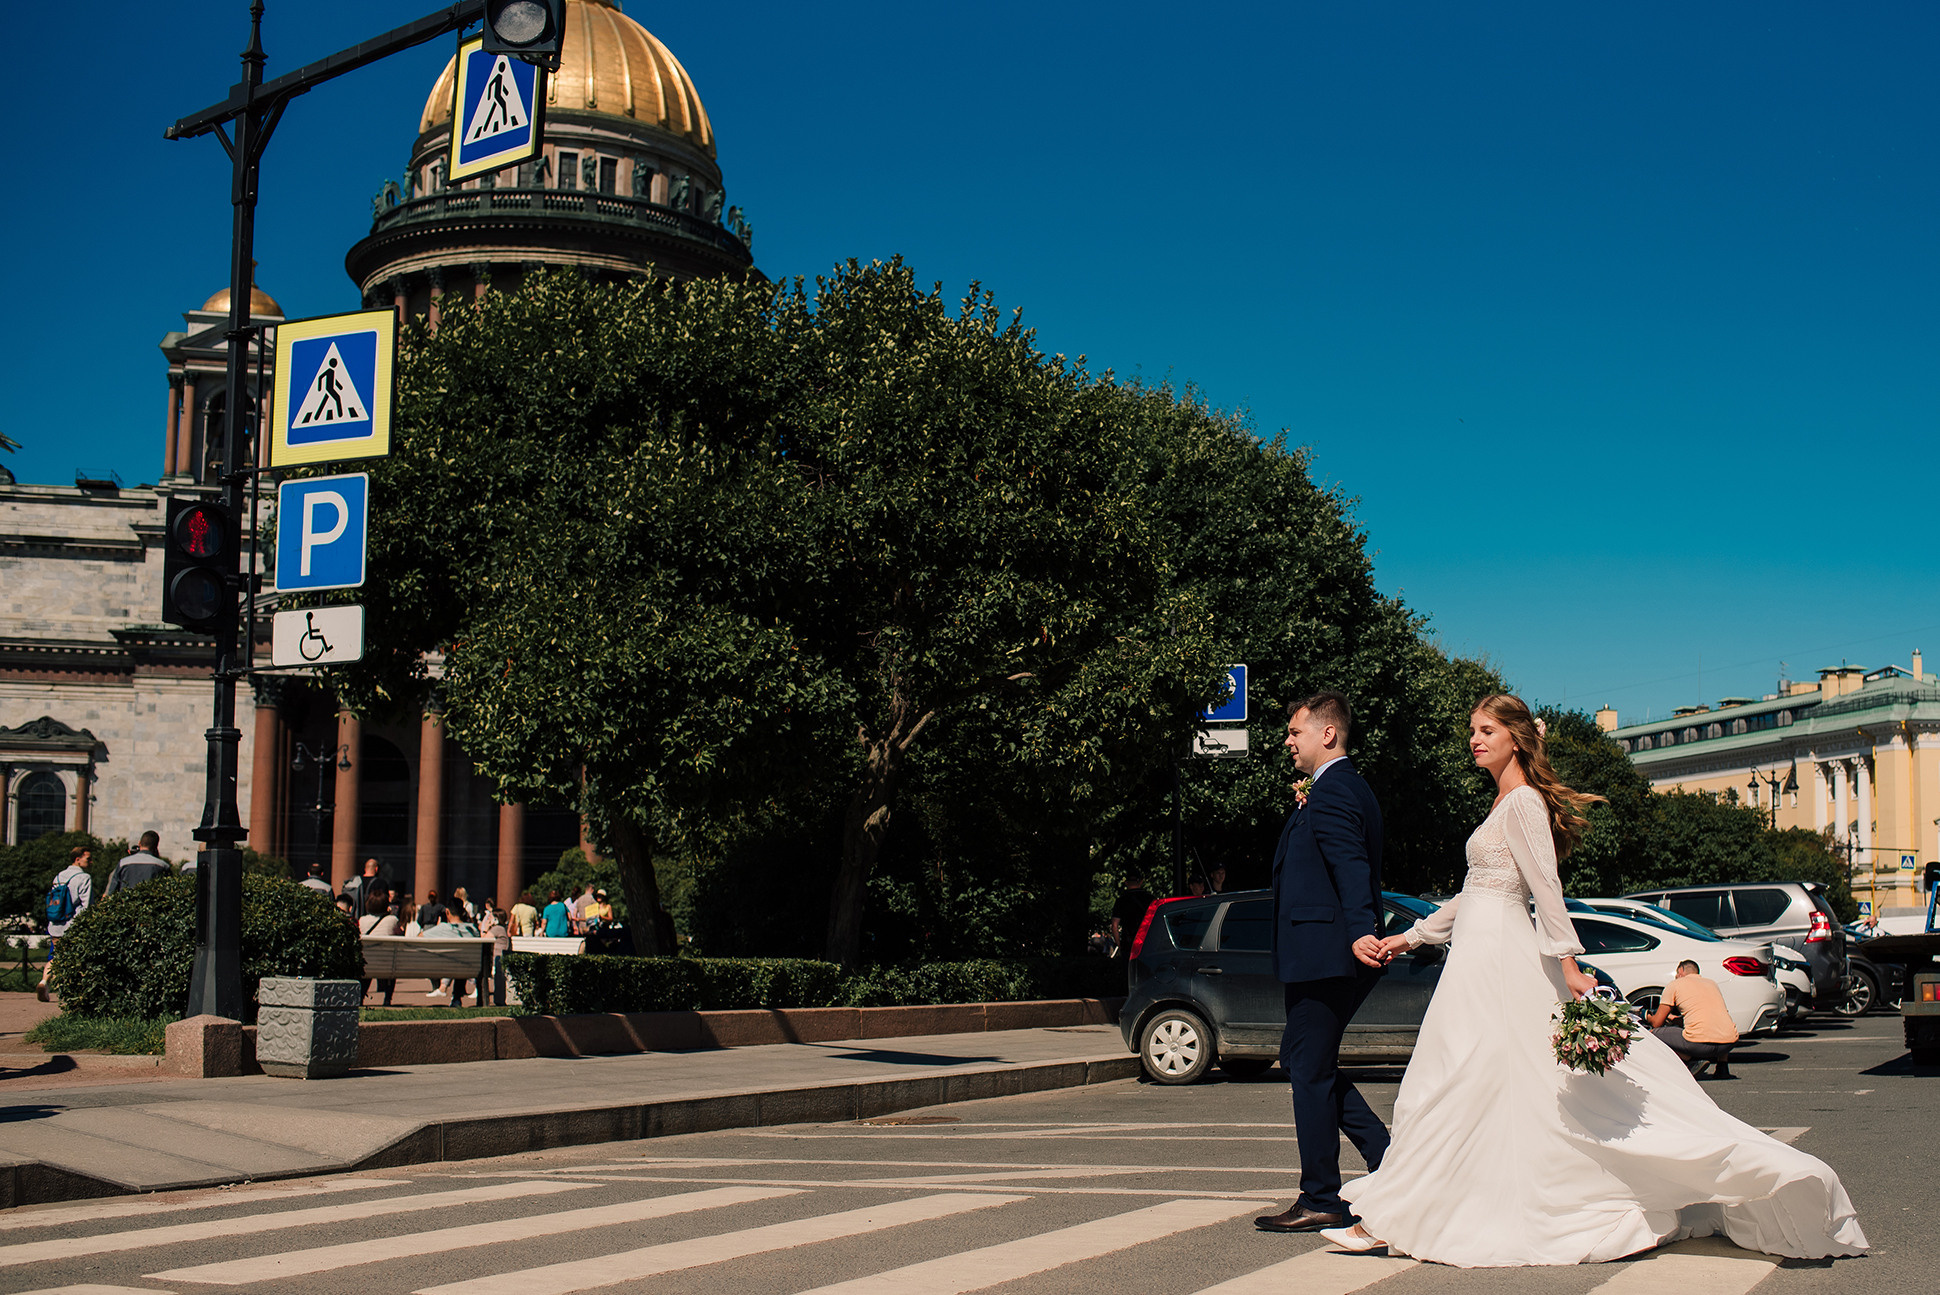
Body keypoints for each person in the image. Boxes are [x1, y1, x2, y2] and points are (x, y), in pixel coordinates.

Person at [1325, 694, 1866, 1266]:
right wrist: (1406, 938)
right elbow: (1472, 894)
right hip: (1476, 958)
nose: (1474, 740)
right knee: (1455, 1077)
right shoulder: (1501, 803)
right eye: (1472, 730)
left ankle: (1404, 1213)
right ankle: (1415, 1208)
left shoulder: (1525, 803)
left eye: (1486, 729)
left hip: (1504, 958)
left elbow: (1546, 887)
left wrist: (1566, 962)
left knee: (1471, 1075)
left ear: (1516, 737)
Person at [1254, 692, 1390, 1234]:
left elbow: (1351, 867)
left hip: (1327, 955)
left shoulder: (1334, 791)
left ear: (1327, 734)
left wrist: (1361, 929)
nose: (1288, 741)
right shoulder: (1337, 787)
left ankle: (1322, 1197)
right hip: (1322, 952)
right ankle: (1387, 1158)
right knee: (1304, 1059)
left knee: (1307, 1067)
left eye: (1295, 732)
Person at [1648, 960, 1741, 1078]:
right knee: (1719, 1021)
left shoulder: (1675, 984)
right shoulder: (1712, 984)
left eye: (1677, 973)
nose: (1676, 976)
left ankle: (1689, 1062)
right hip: (1728, 1043)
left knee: (1653, 1034)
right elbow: (1706, 1016)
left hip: (1697, 1045)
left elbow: (1656, 1023)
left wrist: (1647, 1016)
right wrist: (1675, 1020)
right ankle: (1722, 1067)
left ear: (1681, 971)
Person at [37, 846, 95, 1002]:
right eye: (88, 859)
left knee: (56, 956)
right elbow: (86, 905)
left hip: (56, 924)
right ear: (78, 859)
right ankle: (71, 994)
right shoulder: (84, 878)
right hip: (74, 925)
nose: (91, 862)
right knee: (75, 959)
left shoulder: (59, 876)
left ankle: (44, 982)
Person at [359, 890, 401, 1006]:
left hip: (368, 963)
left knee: (368, 964)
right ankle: (387, 999)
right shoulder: (392, 920)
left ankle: (361, 997)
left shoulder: (362, 920)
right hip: (387, 963)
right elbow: (400, 934)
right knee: (390, 968)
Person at [106, 832, 170, 894]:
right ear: (156, 847)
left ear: (139, 843)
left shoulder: (123, 863)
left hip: (126, 903)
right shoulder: (162, 866)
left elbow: (111, 891)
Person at [1108, 877, 1152, 959]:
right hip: (1147, 942)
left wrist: (1119, 944)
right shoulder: (1150, 899)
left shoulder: (1121, 901)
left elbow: (1114, 926)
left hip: (1128, 943)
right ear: (1141, 882)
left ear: (1126, 883)